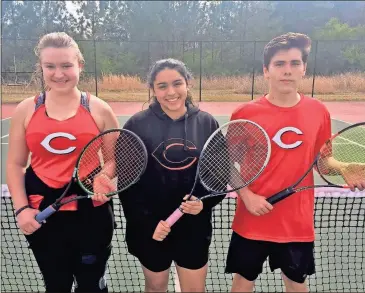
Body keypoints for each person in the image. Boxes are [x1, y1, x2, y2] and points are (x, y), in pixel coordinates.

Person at [6, 32, 119, 292]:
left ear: (79, 65)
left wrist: (105, 175)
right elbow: (15, 164)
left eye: (67, 65)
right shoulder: (25, 110)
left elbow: (113, 160)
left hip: (92, 211)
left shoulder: (100, 109)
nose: (59, 73)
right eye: (50, 66)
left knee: (91, 285)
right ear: (41, 68)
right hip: (43, 214)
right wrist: (22, 210)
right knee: (56, 284)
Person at [225, 32, 332, 292]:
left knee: (296, 284)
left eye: (295, 63)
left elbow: (323, 163)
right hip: (252, 219)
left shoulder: (319, 112)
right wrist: (247, 196)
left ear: (304, 69)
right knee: (242, 282)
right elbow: (228, 163)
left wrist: (345, 170)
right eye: (280, 64)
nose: (287, 71)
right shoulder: (244, 114)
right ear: (266, 71)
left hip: (297, 221)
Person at [118, 58, 225, 292]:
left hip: (193, 228)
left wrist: (203, 202)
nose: (171, 92)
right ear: (153, 90)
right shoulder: (136, 125)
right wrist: (147, 224)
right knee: (156, 287)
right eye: (162, 86)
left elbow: (218, 174)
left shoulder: (207, 123)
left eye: (177, 83)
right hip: (152, 228)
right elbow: (127, 185)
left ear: (187, 84)